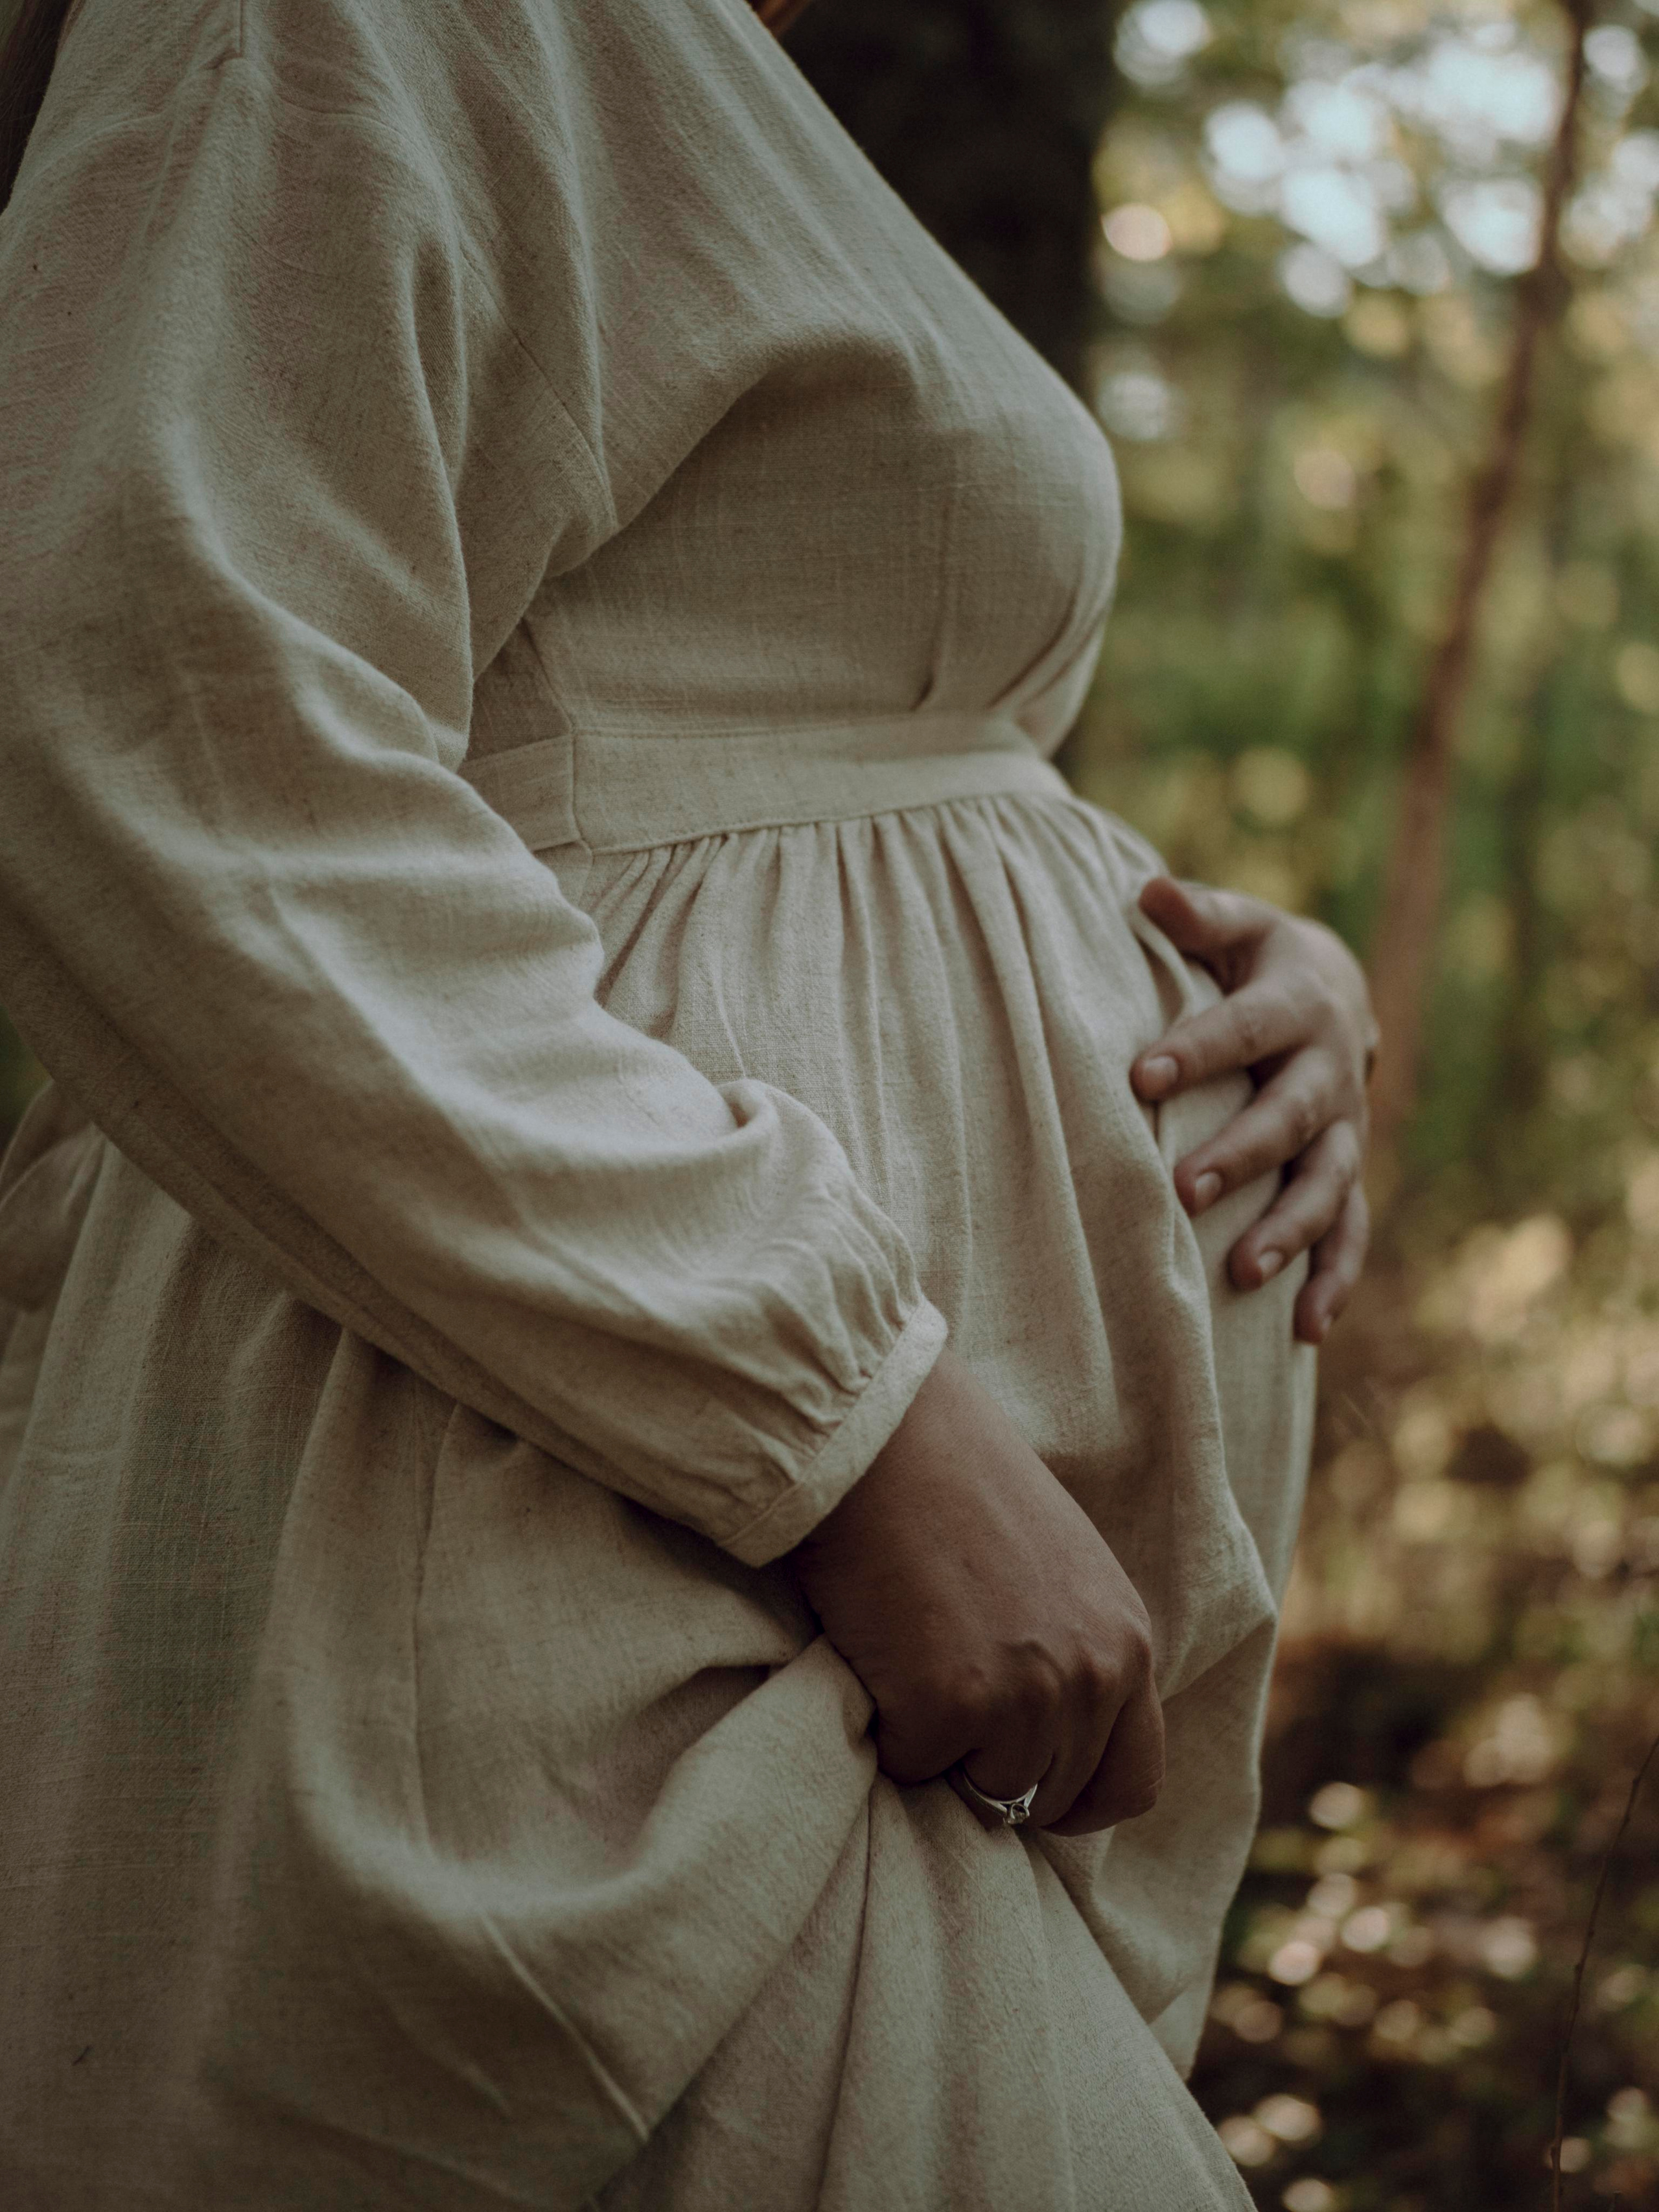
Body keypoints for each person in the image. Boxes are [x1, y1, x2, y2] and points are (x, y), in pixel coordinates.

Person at [0, 0, 1375, 2204]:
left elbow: (738, 731)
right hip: (601, 1515)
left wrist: (1234, 952)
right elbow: (135, 691)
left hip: (764, 1533)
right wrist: (839, 1420)